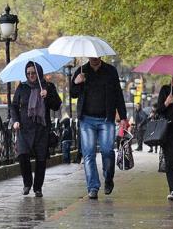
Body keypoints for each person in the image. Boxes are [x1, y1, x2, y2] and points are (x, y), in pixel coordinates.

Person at [71, 57, 128, 199]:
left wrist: (123, 117)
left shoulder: (110, 71)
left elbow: (118, 95)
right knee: (89, 154)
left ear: (100, 56)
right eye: (91, 56)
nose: (94, 58)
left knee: (107, 151)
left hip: (106, 119)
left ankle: (108, 178)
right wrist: (77, 82)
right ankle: (93, 187)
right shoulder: (81, 70)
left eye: (97, 56)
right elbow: (73, 93)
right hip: (86, 120)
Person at [11, 61, 62, 197]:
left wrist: (48, 95)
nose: (31, 75)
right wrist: (15, 120)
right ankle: (27, 183)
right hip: (24, 129)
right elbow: (14, 106)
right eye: (28, 73)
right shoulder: (22, 87)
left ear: (39, 72)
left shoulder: (48, 86)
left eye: (33, 73)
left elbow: (57, 105)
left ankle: (38, 187)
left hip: (42, 129)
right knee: (22, 156)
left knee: (41, 159)